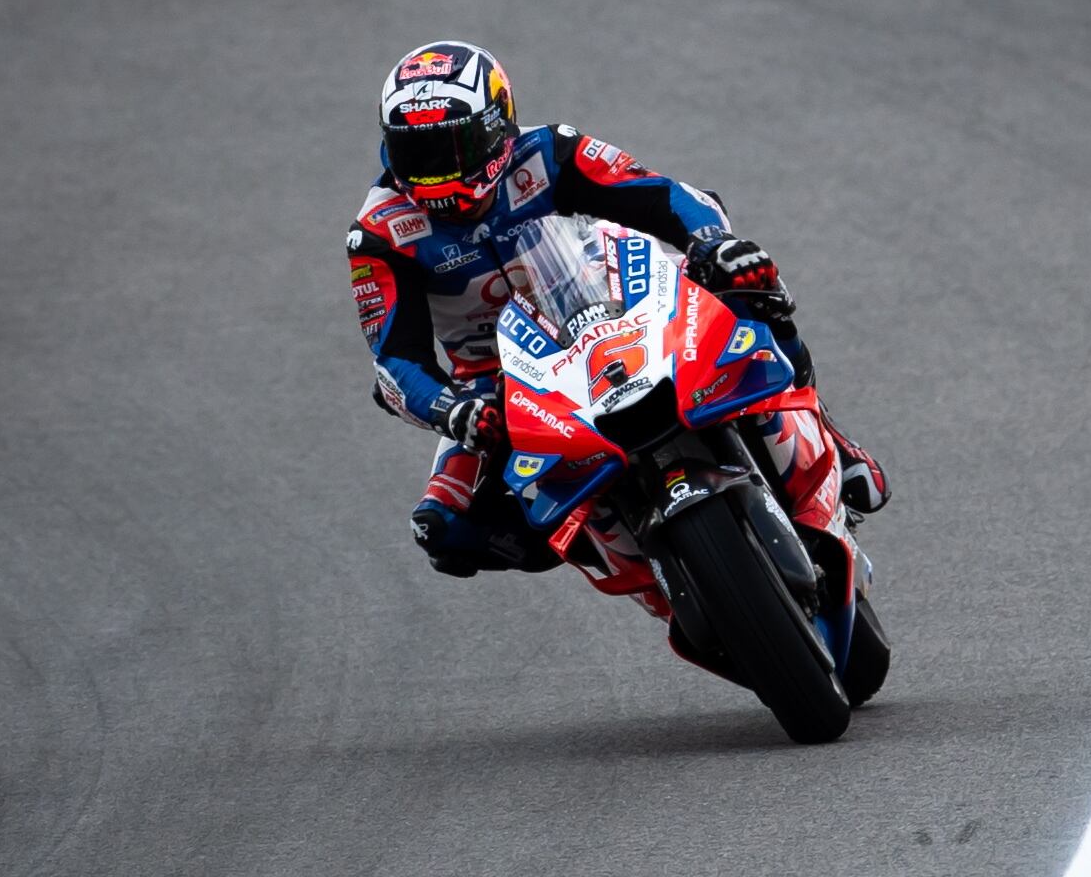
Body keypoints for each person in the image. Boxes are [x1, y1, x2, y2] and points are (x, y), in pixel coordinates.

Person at [347, 40, 889, 584]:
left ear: (496, 128)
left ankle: (823, 427)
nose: (435, 174)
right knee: (443, 531)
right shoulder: (378, 233)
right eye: (416, 155)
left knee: (746, 276)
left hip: (614, 306)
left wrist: (712, 241)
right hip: (504, 381)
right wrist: (448, 408)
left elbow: (666, 195)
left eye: (452, 149)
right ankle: (642, 559)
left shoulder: (550, 151)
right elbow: (394, 361)